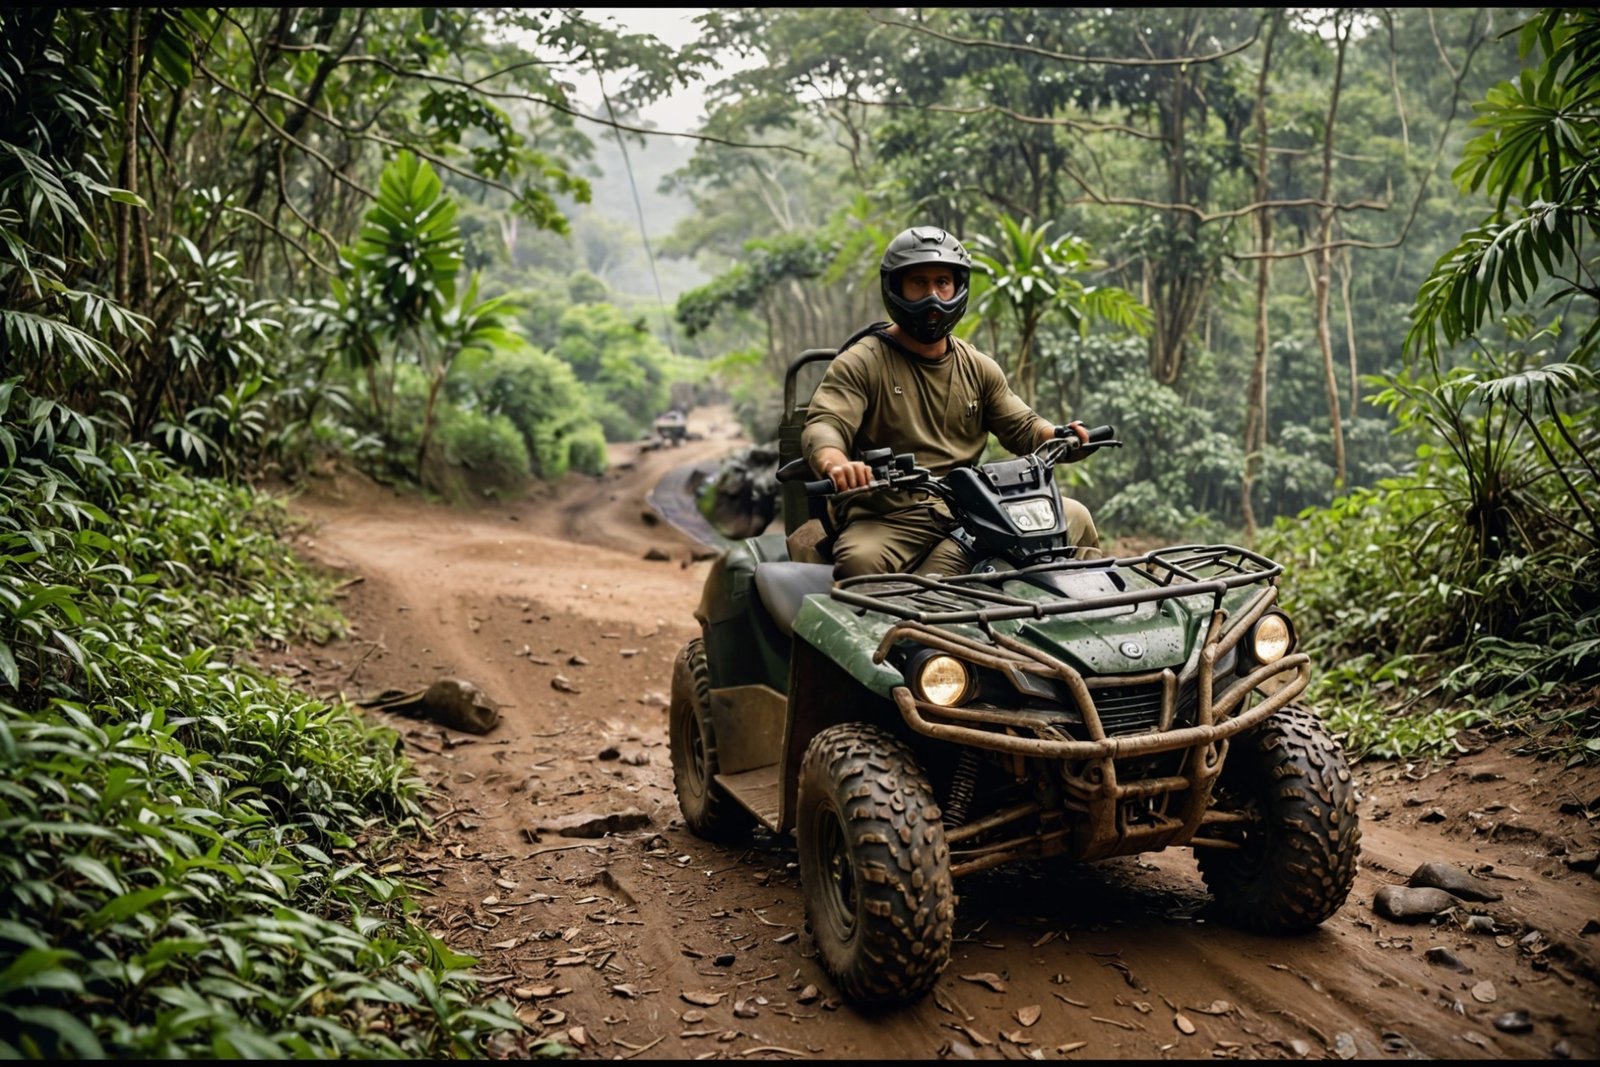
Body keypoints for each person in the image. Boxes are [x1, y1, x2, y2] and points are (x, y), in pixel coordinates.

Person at [801, 225, 1099, 580]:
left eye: (942, 282)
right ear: (895, 288)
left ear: (958, 286)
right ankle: (894, 637)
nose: (933, 297)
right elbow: (825, 424)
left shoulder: (977, 366)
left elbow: (1024, 426)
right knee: (861, 564)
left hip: (972, 506)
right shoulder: (861, 362)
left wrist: (1062, 436)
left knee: (1075, 516)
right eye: (919, 283)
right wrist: (836, 464)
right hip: (892, 517)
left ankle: (1092, 617)